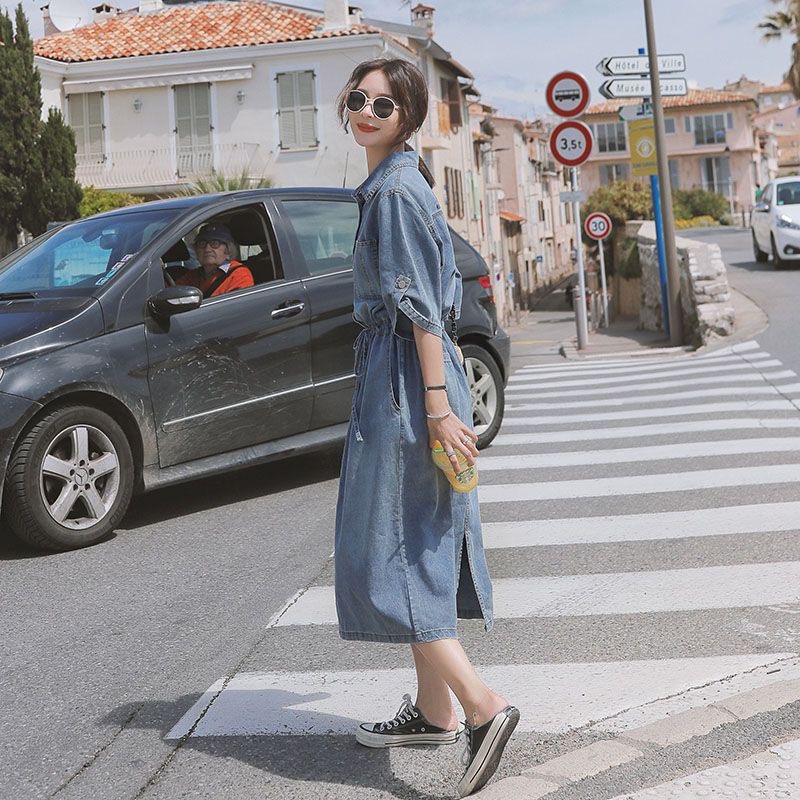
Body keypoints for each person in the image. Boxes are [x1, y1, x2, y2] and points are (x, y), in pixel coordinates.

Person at [333, 58, 519, 798]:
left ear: (409, 115)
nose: (367, 110)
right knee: (417, 541)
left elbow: (418, 313)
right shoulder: (393, 184)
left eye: (385, 103)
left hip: (407, 386)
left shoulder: (395, 194)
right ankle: (436, 710)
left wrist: (438, 407)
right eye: (358, 98)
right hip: (405, 379)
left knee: (390, 553)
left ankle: (481, 705)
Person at [176, 223, 254, 297]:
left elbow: (238, 305)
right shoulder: (193, 275)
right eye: (202, 243)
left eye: (215, 243)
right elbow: (173, 293)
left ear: (228, 250)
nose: (207, 249)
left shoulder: (239, 274)